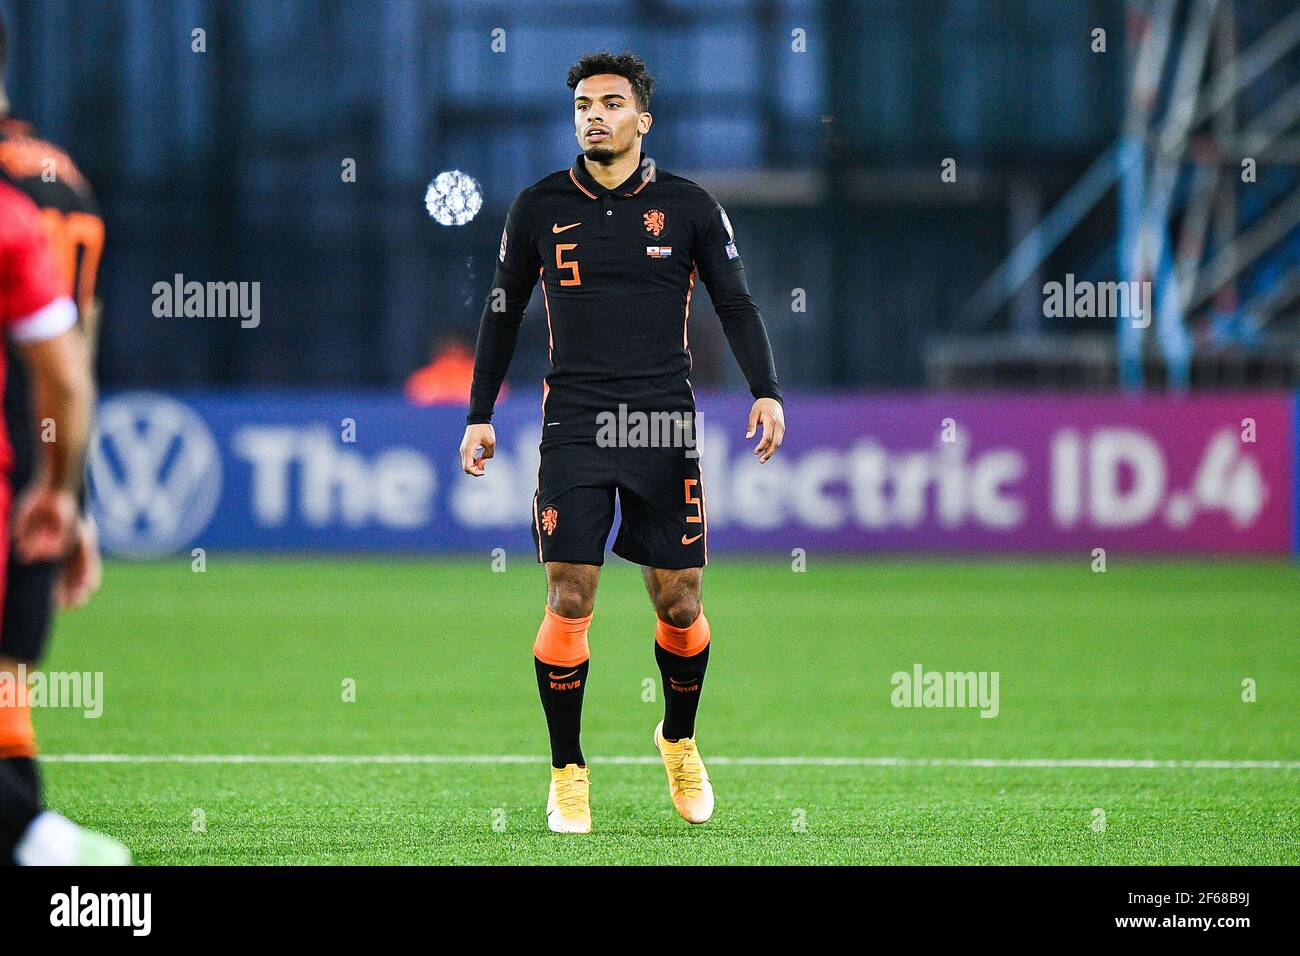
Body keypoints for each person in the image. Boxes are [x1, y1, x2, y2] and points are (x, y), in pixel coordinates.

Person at [460, 51, 785, 833]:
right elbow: (502, 313)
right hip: (573, 420)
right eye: (582, 104)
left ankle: (677, 739)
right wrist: (478, 412)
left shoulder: (689, 206)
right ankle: (568, 770)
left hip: (661, 421)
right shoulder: (537, 207)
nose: (594, 115)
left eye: (611, 102)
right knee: (570, 593)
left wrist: (766, 391)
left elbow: (736, 305)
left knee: (680, 599)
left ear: (644, 118)